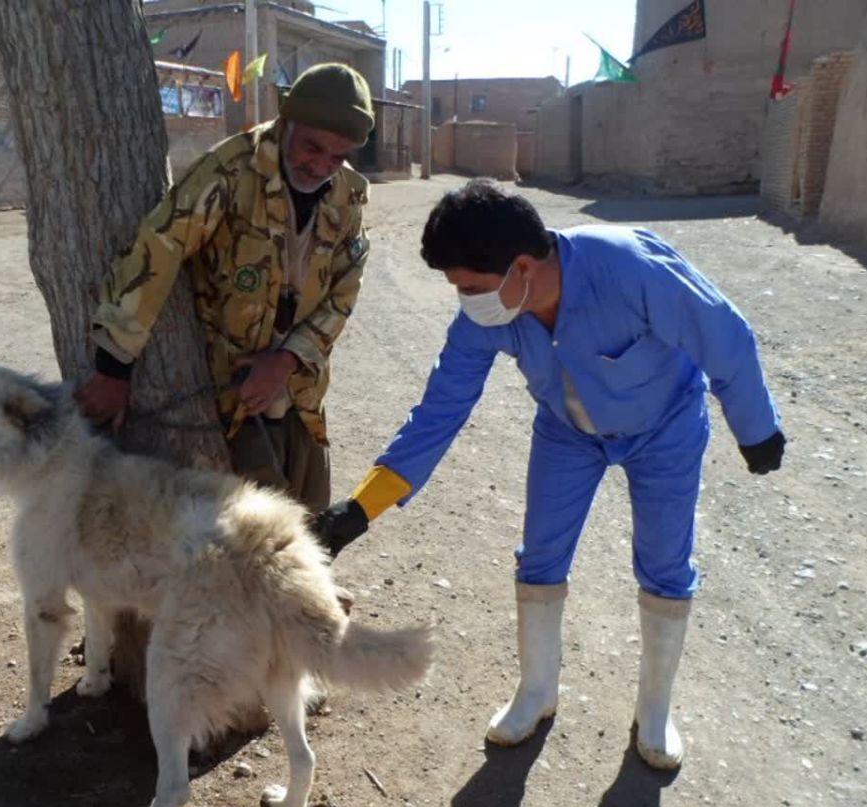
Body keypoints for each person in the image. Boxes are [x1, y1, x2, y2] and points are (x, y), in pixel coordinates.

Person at [311, 180, 785, 770]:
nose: (465, 301)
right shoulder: (492, 313)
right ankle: (537, 693)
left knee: (665, 564)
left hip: (665, 429)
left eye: (470, 287)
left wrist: (757, 428)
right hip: (568, 434)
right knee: (539, 559)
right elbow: (439, 411)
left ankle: (655, 710)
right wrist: (359, 510)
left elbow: (724, 336)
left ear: (524, 266)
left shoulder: (630, 268)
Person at [73, 62, 375, 513]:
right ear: (287, 120)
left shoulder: (347, 191)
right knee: (255, 525)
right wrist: (113, 368)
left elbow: (346, 286)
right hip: (233, 396)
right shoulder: (231, 171)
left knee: (311, 512)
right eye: (313, 147)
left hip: (301, 388)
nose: (322, 165)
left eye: (338, 155)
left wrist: (289, 358)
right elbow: (159, 248)